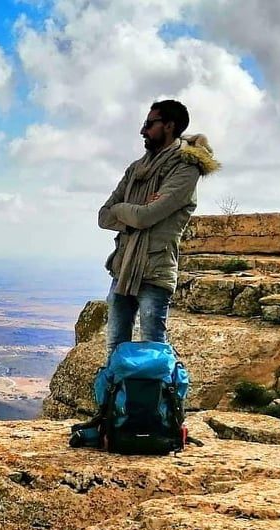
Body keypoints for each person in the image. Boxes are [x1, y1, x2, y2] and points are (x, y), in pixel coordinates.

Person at [98, 99, 219, 357]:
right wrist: (136, 210)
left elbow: (144, 217)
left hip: (155, 271)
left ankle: (152, 399)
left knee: (153, 353)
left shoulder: (186, 168)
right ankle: (117, 399)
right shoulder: (136, 169)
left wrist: (124, 209)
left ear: (169, 126)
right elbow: (103, 216)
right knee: (114, 349)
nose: (143, 130)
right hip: (124, 270)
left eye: (149, 124)